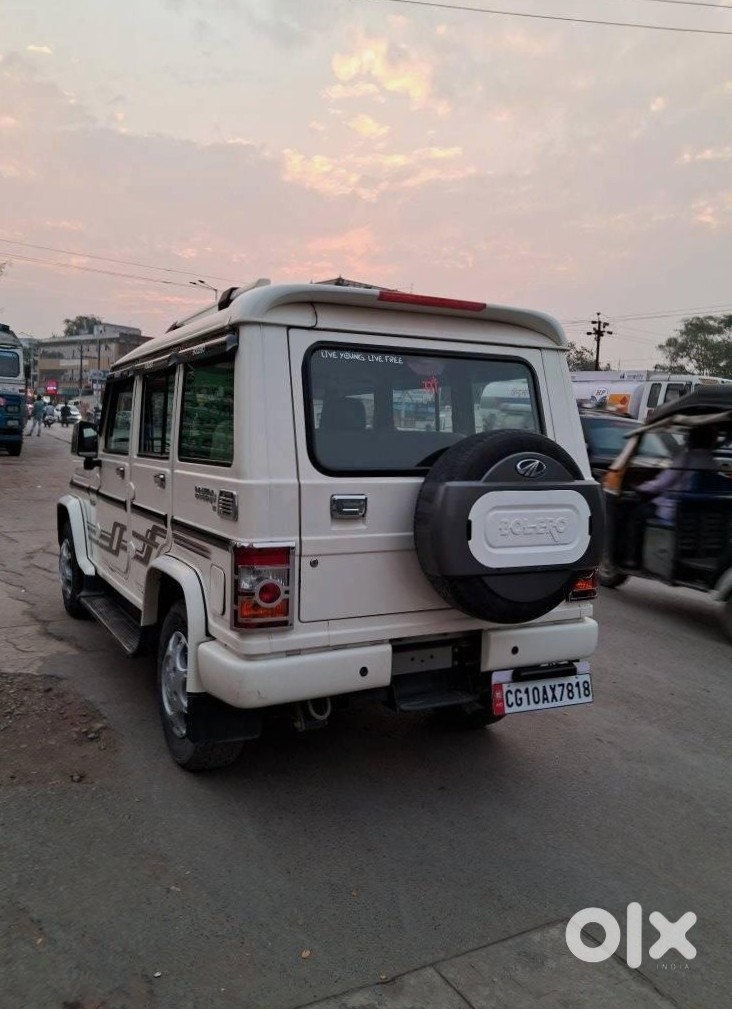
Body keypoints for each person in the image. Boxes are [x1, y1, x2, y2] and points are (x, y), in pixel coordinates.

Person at [624, 425, 719, 567]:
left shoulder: (686, 458)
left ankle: (631, 558)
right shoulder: (713, 462)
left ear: (691, 439)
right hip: (696, 510)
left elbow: (660, 484)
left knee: (636, 514)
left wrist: (639, 487)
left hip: (673, 509)